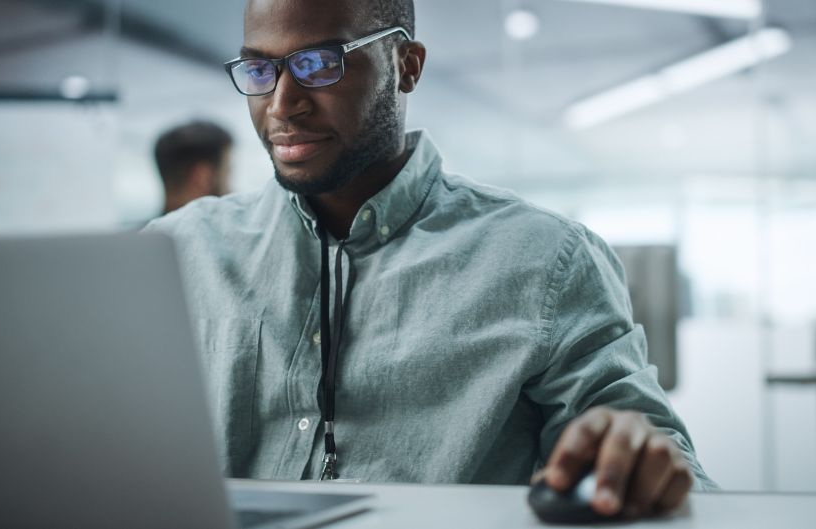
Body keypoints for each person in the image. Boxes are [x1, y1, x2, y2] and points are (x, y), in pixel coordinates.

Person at [145, 0, 716, 519]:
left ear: (407, 65)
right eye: (259, 70)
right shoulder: (177, 253)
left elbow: (667, 466)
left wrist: (631, 453)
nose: (282, 103)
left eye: (321, 64)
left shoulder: (547, 260)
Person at [153, 120, 233, 214]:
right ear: (202, 178)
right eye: (228, 172)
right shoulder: (228, 226)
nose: (232, 191)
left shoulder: (148, 228)